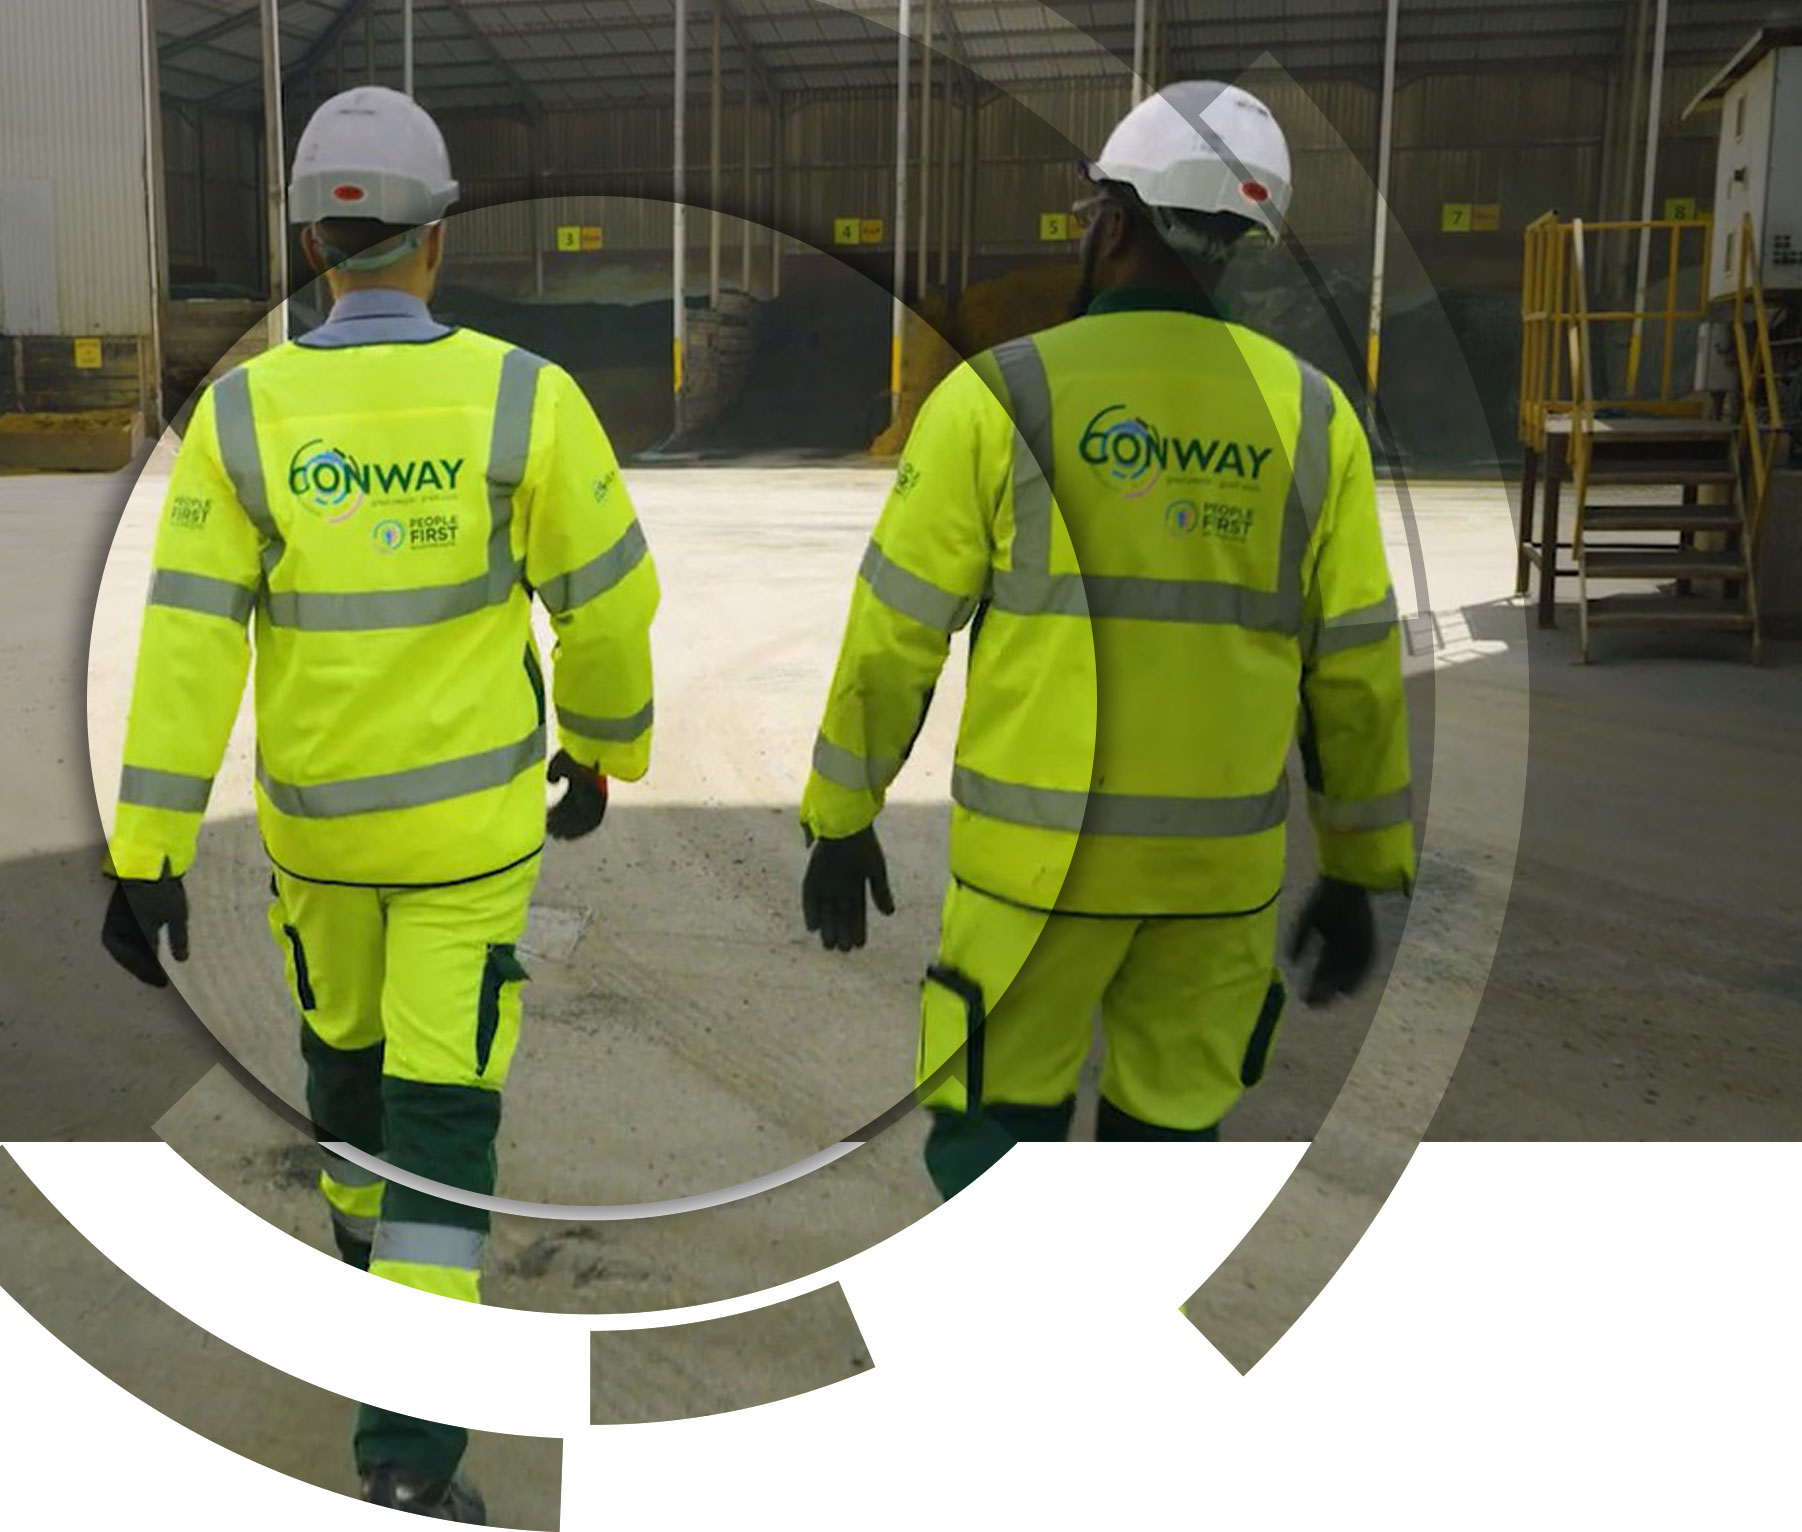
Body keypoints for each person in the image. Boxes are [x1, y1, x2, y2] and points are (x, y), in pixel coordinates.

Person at [98, 85, 659, 1522]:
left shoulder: (242, 415)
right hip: (471, 842)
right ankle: (410, 1457)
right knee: (444, 1120)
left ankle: (376, 1296)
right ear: (437, 239)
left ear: (307, 237)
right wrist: (602, 750)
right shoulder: (527, 398)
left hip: (320, 845)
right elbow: (607, 608)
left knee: (346, 1079)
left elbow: (187, 642)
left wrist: (151, 853)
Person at [798, 81, 1415, 1201]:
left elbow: (893, 637)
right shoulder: (1314, 418)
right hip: (1215, 884)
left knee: (994, 1131)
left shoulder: (999, 396)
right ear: (1235, 245)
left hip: (1033, 875)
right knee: (1168, 1151)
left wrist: (842, 819)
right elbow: (1359, 675)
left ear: (1117, 224)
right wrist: (1361, 870)